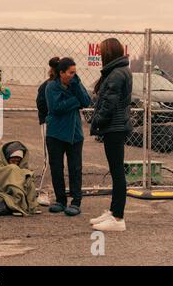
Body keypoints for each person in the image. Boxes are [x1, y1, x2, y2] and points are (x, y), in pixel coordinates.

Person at [90, 38, 132, 232]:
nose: (99, 55)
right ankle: (114, 211)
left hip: (114, 127)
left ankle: (118, 218)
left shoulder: (116, 74)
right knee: (116, 171)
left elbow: (109, 103)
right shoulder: (119, 71)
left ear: (108, 53)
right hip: (116, 127)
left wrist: (97, 119)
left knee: (117, 172)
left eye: (101, 52)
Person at [45, 57, 91, 216]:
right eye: (71, 72)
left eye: (75, 72)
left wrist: (76, 86)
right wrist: (76, 101)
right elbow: (56, 108)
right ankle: (60, 200)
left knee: (75, 168)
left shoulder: (76, 84)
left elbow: (86, 101)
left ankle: (76, 201)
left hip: (75, 134)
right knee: (56, 167)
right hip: (55, 133)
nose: (73, 75)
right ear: (61, 73)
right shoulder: (51, 87)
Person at [0, 141, 40, 216]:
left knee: (28, 177)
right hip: (4, 189)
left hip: (19, 187)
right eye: (13, 159)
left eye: (18, 160)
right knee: (13, 170)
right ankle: (17, 205)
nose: (16, 162)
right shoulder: (0, 167)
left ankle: (31, 205)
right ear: (7, 158)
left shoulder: (21, 168)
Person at [35, 57, 59, 206]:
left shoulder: (66, 85)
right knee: (50, 158)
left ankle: (53, 190)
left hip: (61, 125)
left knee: (58, 159)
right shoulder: (46, 86)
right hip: (48, 124)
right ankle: (43, 191)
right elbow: (41, 107)